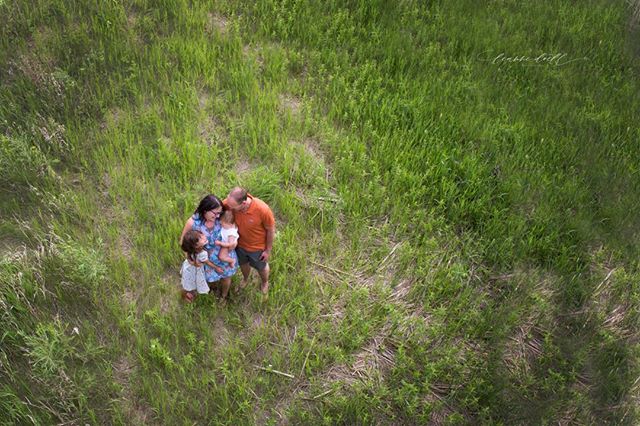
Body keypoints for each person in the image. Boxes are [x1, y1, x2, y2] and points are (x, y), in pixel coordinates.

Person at [180, 194, 238, 302]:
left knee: (226, 277)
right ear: (205, 210)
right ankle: (205, 289)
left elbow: (232, 229)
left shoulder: (222, 217)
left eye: (219, 213)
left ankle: (223, 296)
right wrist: (190, 259)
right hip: (205, 257)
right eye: (215, 213)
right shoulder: (193, 222)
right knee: (204, 277)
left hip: (223, 254)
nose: (217, 216)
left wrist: (234, 242)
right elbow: (184, 243)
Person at [224, 187, 275, 295]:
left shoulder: (262, 209)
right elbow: (216, 208)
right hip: (239, 245)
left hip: (257, 247)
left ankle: (265, 282)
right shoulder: (230, 203)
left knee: (261, 267)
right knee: (243, 264)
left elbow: (270, 230)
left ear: (243, 203)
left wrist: (267, 250)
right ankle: (245, 279)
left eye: (232, 206)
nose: (228, 206)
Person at [180, 230, 217, 302]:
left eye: (201, 234)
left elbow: (188, 255)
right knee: (188, 285)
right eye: (201, 237)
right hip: (193, 271)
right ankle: (184, 296)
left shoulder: (191, 250)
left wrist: (192, 262)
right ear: (196, 245)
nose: (204, 236)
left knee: (188, 283)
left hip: (188, 268)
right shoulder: (202, 253)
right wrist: (217, 268)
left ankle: (187, 293)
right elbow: (208, 263)